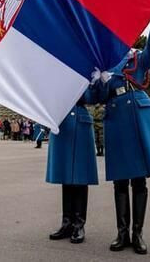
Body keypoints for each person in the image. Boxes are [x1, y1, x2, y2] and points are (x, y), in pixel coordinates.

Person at [93, 2, 150, 255]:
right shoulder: (105, 62)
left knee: (138, 181)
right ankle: (122, 233)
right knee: (120, 181)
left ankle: (137, 234)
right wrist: (100, 81)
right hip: (117, 118)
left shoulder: (136, 57)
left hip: (137, 115)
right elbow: (97, 95)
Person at [46, 88, 99, 244]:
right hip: (62, 122)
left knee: (80, 176)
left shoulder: (88, 68)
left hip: (80, 122)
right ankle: (67, 223)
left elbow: (94, 96)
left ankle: (79, 224)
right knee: (66, 176)